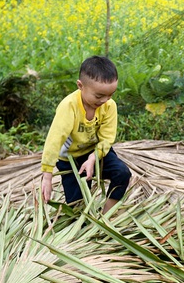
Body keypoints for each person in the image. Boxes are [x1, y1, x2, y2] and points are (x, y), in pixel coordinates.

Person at [40, 56, 132, 213]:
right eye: (99, 96)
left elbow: (107, 138)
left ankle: (106, 216)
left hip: (95, 152)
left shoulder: (109, 106)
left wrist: (94, 157)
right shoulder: (69, 106)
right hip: (70, 159)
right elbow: (54, 140)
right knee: (77, 205)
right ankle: (82, 225)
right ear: (80, 86)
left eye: (110, 94)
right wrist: (47, 175)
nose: (105, 100)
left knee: (122, 174)